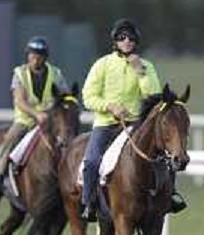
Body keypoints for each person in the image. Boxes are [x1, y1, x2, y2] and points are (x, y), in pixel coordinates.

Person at [80, 18, 187, 222]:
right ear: (115, 41)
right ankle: (89, 203)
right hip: (106, 124)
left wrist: (140, 71)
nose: (126, 40)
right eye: (122, 37)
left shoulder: (146, 66)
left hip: (136, 125)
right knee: (92, 160)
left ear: (136, 41)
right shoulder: (102, 64)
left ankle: (171, 195)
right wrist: (109, 106)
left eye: (130, 37)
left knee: (165, 158)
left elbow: (154, 95)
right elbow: (88, 96)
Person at [0, 37, 70, 192]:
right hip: (26, 120)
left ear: (44, 57)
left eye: (38, 56)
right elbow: (19, 101)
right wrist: (36, 114)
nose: (35, 59)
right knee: (12, 138)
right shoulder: (19, 74)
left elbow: (64, 95)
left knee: (67, 137)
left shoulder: (55, 74)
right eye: (32, 55)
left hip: (50, 121)